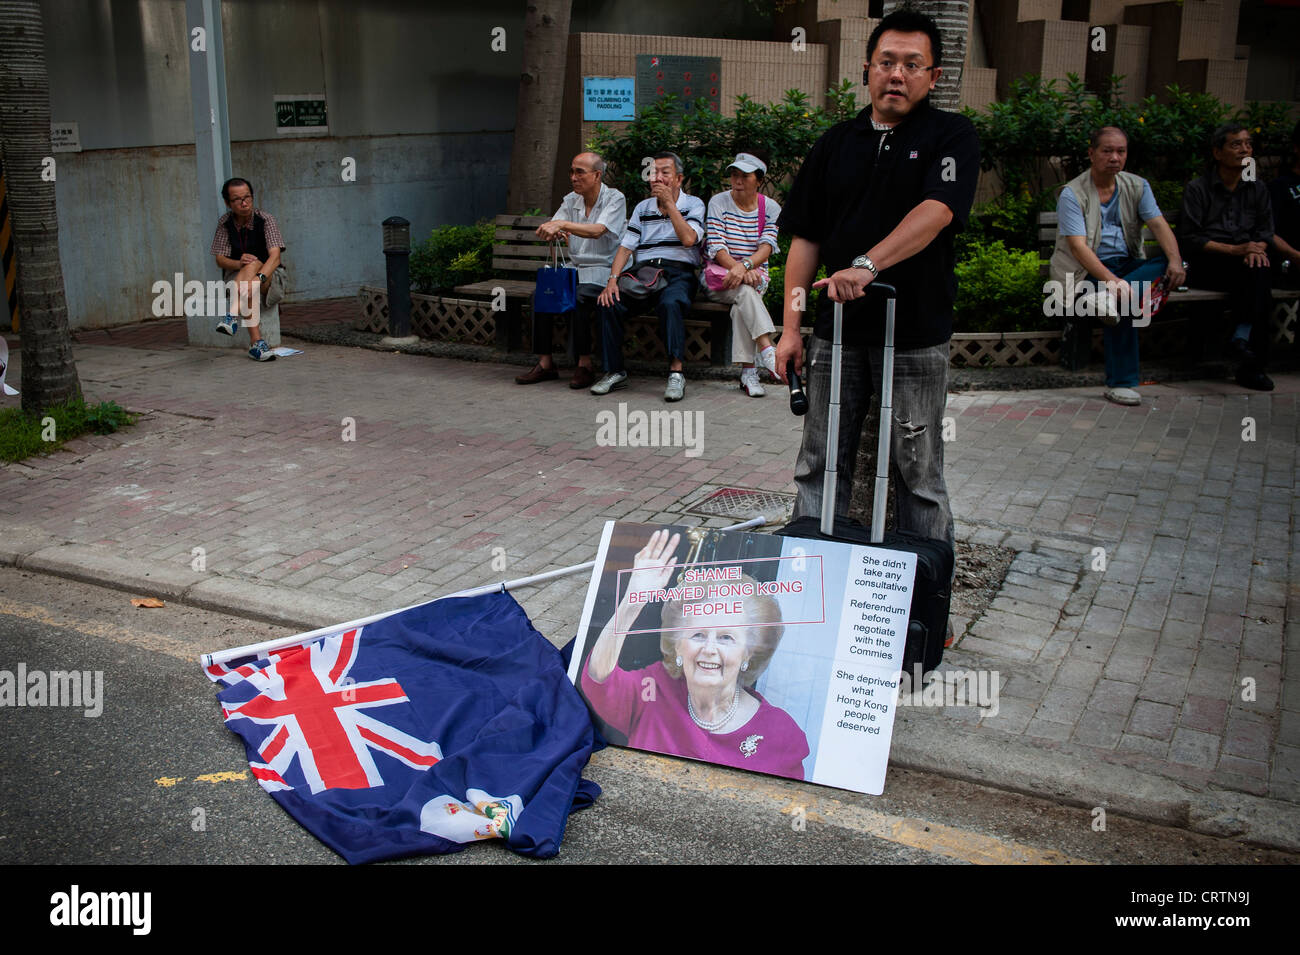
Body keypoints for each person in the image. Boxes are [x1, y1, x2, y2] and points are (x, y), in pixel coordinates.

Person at [774, 9, 979, 553]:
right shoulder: (835, 143)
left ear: (933, 77)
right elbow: (804, 242)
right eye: (887, 62)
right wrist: (791, 329)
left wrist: (867, 265)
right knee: (819, 461)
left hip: (914, 334)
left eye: (913, 64)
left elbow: (936, 211)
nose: (897, 74)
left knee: (918, 471)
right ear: (866, 69)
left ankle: (925, 605)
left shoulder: (951, 136)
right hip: (835, 336)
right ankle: (808, 581)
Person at [581, 528, 810, 779]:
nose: (709, 649)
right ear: (678, 646)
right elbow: (599, 678)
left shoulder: (781, 734)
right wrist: (632, 602)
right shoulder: (654, 689)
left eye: (726, 637)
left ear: (748, 653)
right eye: (698, 635)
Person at [1049, 126, 1185, 406]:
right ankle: (1120, 383)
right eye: (1107, 150)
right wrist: (1113, 282)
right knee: (1126, 300)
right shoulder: (1073, 193)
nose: (1114, 157)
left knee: (1172, 263)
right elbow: (1078, 247)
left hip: (1125, 268)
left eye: (1120, 151)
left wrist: (1174, 260)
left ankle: (1109, 297)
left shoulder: (1137, 186)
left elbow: (1158, 224)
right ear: (1091, 153)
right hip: (1085, 272)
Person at [592, 152, 705, 402]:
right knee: (608, 302)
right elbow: (626, 247)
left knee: (670, 303)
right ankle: (614, 371)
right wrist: (612, 280)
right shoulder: (642, 208)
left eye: (665, 172)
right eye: (654, 173)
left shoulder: (694, 204)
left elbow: (688, 239)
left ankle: (676, 373)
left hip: (679, 273)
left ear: (679, 179)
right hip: (644, 273)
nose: (658, 178)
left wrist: (671, 206)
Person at [515, 152, 626, 389]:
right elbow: (555, 227)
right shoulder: (570, 200)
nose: (573, 177)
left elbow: (598, 230)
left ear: (597, 175)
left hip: (603, 270)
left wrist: (563, 225)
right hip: (573, 268)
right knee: (541, 296)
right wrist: (550, 231)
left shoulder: (615, 198)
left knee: (578, 297)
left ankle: (584, 364)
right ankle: (545, 363)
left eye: (580, 172)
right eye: (572, 172)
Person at [1180, 124, 1277, 391]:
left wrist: (1254, 248)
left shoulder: (1257, 188)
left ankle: (1241, 342)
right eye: (1236, 145)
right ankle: (1250, 361)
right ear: (1217, 152)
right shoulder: (1198, 189)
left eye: (1248, 144)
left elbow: (1266, 231)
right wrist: (1236, 250)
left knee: (1258, 271)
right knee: (1258, 279)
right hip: (1209, 264)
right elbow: (1191, 239)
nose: (1244, 150)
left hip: (1247, 263)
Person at [702, 152, 782, 396]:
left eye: (744, 175)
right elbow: (716, 246)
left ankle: (750, 372)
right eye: (734, 174)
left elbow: (767, 247)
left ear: (758, 180)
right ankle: (767, 352)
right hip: (719, 279)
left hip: (754, 278)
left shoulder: (770, 207)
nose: (737, 179)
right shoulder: (718, 202)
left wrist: (744, 267)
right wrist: (738, 269)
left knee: (743, 300)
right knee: (745, 295)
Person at [210, 177, 286, 361]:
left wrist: (257, 279)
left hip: (270, 278)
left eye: (247, 197)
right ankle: (257, 343)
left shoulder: (266, 219)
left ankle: (232, 315)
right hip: (239, 278)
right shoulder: (225, 223)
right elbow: (220, 260)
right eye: (237, 199)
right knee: (248, 272)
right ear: (228, 203)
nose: (244, 203)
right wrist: (238, 263)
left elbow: (275, 257)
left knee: (255, 266)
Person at [1268, 120, 1300, 289]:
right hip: (1290, 263)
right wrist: (1294, 254)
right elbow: (1267, 231)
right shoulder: (1279, 186)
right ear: (1296, 147)